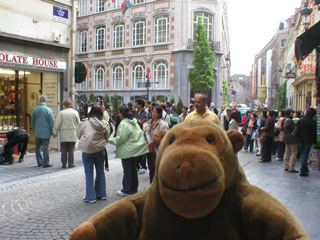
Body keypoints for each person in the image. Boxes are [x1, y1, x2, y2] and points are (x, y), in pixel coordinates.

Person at [109, 106, 149, 196]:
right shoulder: (134, 121)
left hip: (127, 150)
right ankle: (134, 188)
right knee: (133, 169)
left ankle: (127, 189)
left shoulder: (124, 124)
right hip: (135, 149)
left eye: (119, 113)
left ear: (123, 113)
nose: (118, 115)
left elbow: (121, 138)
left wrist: (110, 140)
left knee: (127, 170)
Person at [77, 105, 109, 203]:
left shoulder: (85, 122)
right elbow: (107, 136)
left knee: (89, 173)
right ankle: (102, 194)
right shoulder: (104, 123)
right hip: (100, 149)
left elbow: (78, 135)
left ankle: (90, 196)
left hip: (88, 150)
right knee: (100, 172)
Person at [53, 99, 80, 168]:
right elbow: (79, 124)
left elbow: (57, 124)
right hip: (72, 132)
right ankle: (71, 163)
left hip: (63, 133)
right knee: (71, 149)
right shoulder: (75, 113)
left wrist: (55, 133)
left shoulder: (61, 113)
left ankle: (64, 163)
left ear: (64, 105)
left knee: (64, 149)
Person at [144, 106, 169, 183]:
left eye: (154, 112)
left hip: (157, 150)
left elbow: (165, 138)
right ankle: (152, 186)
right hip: (150, 149)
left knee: (157, 169)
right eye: (152, 112)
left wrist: (155, 141)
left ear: (159, 114)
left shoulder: (162, 124)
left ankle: (159, 186)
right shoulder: (149, 122)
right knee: (151, 169)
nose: (153, 113)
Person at [31, 95, 55, 168]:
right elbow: (52, 122)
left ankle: (39, 161)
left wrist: (33, 129)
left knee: (37, 147)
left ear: (39, 100)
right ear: (46, 100)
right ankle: (45, 162)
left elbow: (32, 121)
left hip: (37, 131)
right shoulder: (48, 110)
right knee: (45, 147)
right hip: (46, 131)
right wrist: (52, 131)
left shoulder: (35, 110)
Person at [296, 108, 317, 176]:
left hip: (300, 139)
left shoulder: (301, 120)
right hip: (308, 140)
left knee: (303, 154)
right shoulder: (313, 122)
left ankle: (304, 168)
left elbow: (297, 129)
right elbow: (314, 133)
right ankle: (303, 170)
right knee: (305, 155)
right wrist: (315, 142)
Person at [134, 98, 149, 174]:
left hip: (142, 134)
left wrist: (138, 122)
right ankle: (137, 166)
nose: (135, 105)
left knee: (142, 151)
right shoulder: (136, 113)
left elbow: (145, 123)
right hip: (136, 134)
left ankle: (144, 166)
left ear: (140, 105)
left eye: (136, 104)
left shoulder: (145, 113)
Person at [282, 108, 299, 172]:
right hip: (292, 138)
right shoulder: (290, 121)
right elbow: (295, 128)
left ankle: (286, 165)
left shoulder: (284, 120)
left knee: (287, 152)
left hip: (286, 137)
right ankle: (291, 167)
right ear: (290, 113)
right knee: (294, 152)